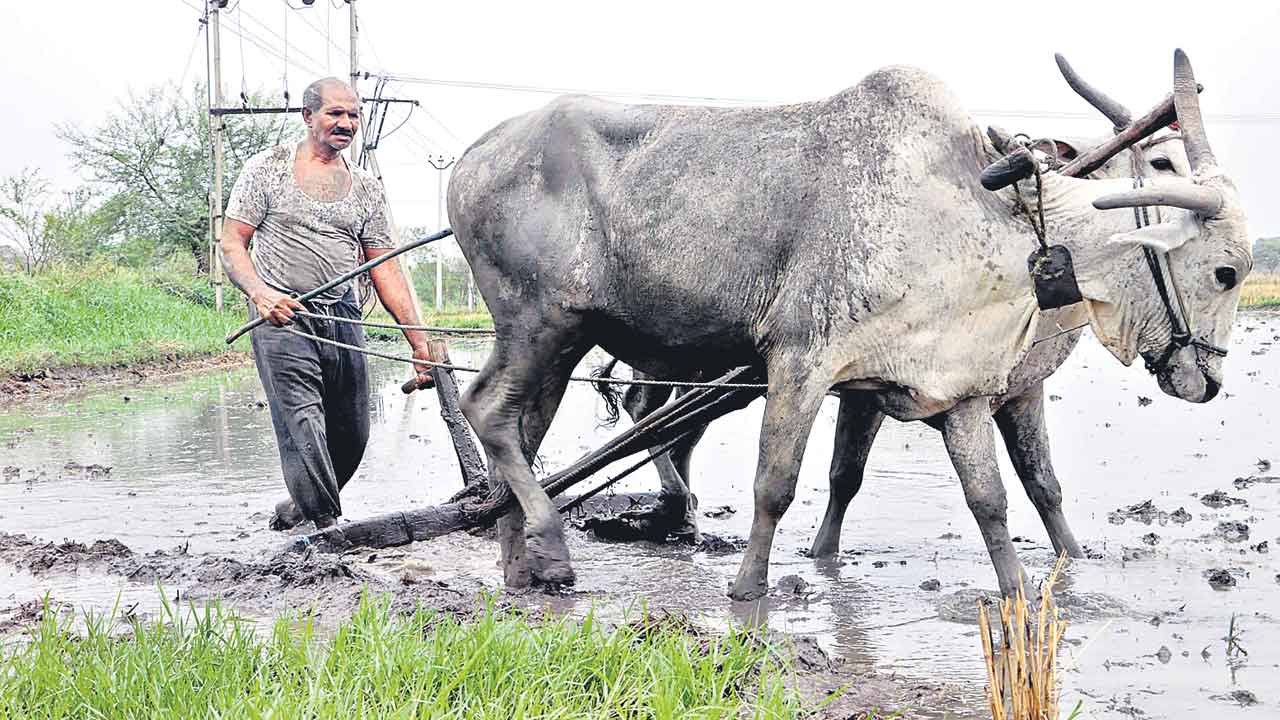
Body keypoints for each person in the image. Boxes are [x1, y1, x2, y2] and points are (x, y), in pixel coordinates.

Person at [219, 77, 435, 531]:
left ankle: (301, 508)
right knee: (304, 424)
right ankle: (327, 532)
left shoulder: (366, 188)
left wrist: (418, 342)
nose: (346, 123)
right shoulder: (268, 169)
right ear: (308, 117)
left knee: (353, 434)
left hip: (343, 316)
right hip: (283, 318)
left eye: (353, 115)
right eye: (335, 113)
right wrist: (261, 294)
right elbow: (233, 243)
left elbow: (386, 268)